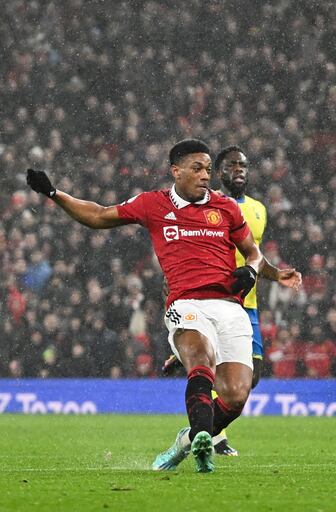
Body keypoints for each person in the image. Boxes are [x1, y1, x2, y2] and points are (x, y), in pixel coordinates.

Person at [26, 139, 302, 473]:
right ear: (176, 171)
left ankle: (186, 441)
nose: (205, 175)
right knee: (200, 358)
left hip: (231, 307)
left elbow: (253, 251)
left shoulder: (226, 208)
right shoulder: (153, 204)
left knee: (236, 395)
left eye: (208, 170)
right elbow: (98, 215)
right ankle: (204, 439)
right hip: (186, 303)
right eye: (197, 168)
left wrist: (254, 270)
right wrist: (55, 194)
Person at [163, 145, 270, 456]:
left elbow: (256, 255)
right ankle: (212, 435)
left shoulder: (257, 209)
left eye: (244, 165)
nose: (240, 170)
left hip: (244, 304)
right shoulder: (207, 206)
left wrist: (271, 274)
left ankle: (201, 433)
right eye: (232, 165)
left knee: (248, 380)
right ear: (220, 172)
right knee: (205, 362)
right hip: (203, 298)